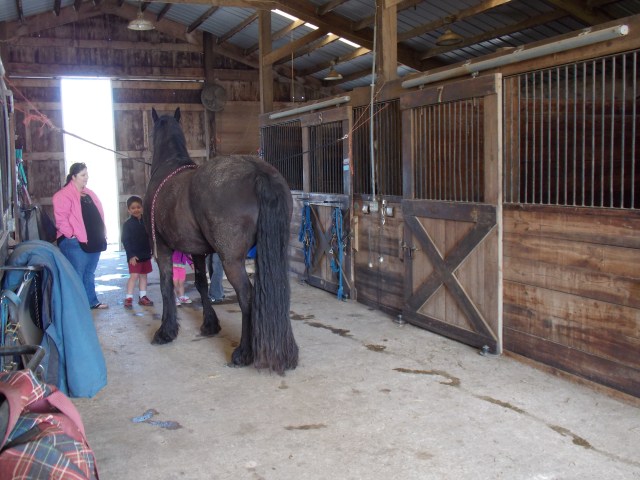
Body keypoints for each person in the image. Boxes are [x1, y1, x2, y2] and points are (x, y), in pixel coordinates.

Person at [53, 162, 108, 310]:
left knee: (89, 273)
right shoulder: (62, 195)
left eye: (87, 174)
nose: (86, 177)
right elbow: (61, 219)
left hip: (93, 240)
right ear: (73, 177)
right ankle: (77, 306)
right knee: (77, 273)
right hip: (75, 241)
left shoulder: (89, 193)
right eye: (83, 175)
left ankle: (91, 301)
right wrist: (71, 235)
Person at [121, 196, 154, 309]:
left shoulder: (147, 222)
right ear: (129, 210)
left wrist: (152, 251)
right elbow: (125, 241)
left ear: (142, 208)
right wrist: (131, 255)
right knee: (134, 276)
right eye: (133, 208)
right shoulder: (127, 224)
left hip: (146, 254)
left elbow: (150, 237)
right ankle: (129, 298)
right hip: (134, 257)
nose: (136, 210)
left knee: (144, 276)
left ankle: (143, 296)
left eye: (138, 207)